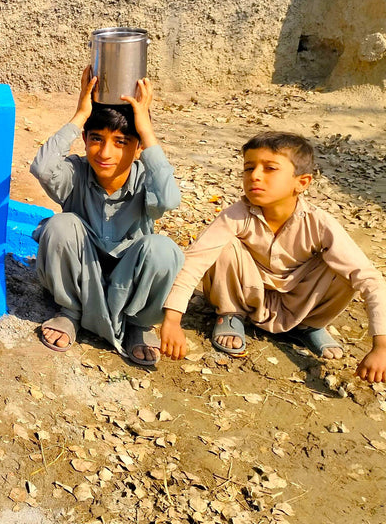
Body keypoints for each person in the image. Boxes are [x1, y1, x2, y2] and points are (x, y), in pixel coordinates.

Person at [159, 132, 386, 383]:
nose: (255, 175)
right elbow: (194, 262)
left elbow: (370, 279)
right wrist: (172, 319)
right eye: (249, 167)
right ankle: (230, 315)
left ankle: (308, 326)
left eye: (270, 168)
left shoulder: (319, 223)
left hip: (299, 303)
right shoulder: (236, 215)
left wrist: (382, 347)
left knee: (342, 266)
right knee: (224, 246)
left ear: (302, 182)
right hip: (245, 295)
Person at [31, 66, 183, 366]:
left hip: (129, 281)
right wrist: (80, 114)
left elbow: (168, 199)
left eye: (121, 142)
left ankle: (138, 324)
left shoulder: (144, 179)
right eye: (96, 139)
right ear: (85, 139)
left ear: (137, 148)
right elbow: (42, 168)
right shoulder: (76, 172)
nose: (105, 152)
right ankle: (70, 312)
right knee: (60, 225)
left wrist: (147, 131)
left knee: (163, 249)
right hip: (78, 273)